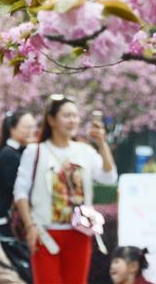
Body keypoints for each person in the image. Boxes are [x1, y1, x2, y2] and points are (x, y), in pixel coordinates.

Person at [13, 95, 117, 284]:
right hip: (45, 233)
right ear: (51, 120)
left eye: (76, 116)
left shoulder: (84, 151)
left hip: (80, 233)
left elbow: (109, 178)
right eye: (67, 115)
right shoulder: (35, 151)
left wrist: (102, 143)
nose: (73, 120)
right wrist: (30, 227)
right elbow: (20, 192)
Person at [0, 110, 37, 236]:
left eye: (33, 127)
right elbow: (18, 191)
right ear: (12, 129)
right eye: (27, 127)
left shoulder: (16, 152)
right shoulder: (10, 155)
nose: (31, 131)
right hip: (4, 222)